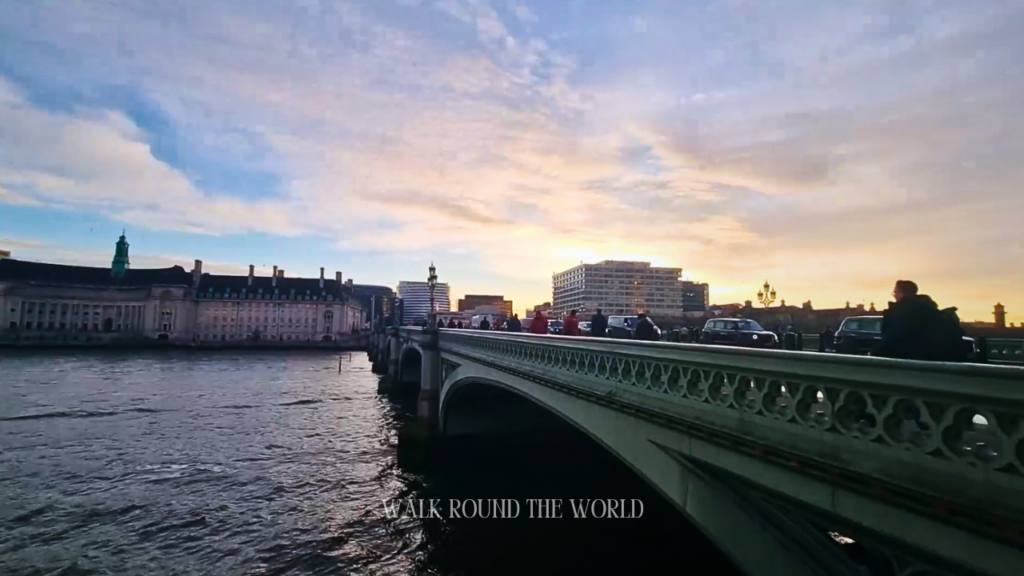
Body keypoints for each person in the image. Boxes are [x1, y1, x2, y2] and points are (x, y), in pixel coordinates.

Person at [873, 280, 965, 362]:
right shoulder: (932, 312)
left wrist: (874, 354)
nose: (894, 296)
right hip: (935, 362)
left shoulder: (903, 314)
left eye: (895, 292)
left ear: (902, 293)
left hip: (908, 362)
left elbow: (891, 338)